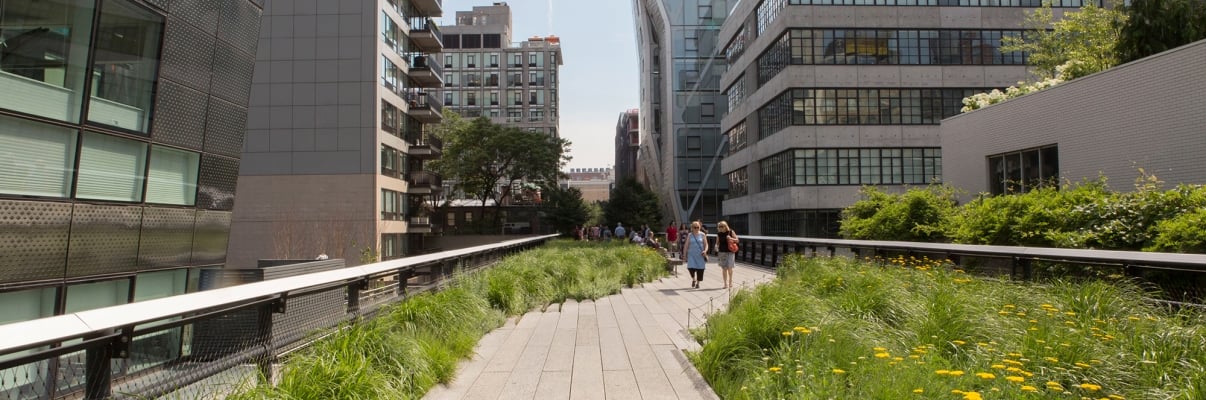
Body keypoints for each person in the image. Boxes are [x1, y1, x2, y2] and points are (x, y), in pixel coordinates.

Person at [683, 220, 709, 288]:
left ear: (700, 227)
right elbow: (686, 245)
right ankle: (693, 279)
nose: (696, 228)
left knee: (700, 269)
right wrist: (684, 255)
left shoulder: (702, 234)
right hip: (691, 254)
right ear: (692, 227)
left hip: (700, 255)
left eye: (698, 227)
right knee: (690, 268)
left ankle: (698, 283)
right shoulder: (690, 235)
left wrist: (705, 251)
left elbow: (706, 244)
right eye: (695, 227)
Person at [716, 221, 739, 289]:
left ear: (726, 226)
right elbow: (717, 243)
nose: (721, 228)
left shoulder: (731, 232)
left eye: (722, 226)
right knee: (724, 268)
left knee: (730, 268)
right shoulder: (719, 234)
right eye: (719, 226)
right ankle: (725, 283)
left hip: (730, 252)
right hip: (722, 252)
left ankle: (730, 281)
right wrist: (716, 246)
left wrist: (731, 238)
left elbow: (737, 240)